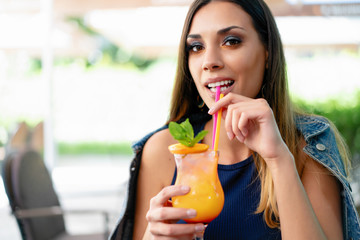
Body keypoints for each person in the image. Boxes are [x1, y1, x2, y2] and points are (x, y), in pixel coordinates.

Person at [110, 0, 360, 239]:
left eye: (231, 41)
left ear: (267, 53)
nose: (209, 62)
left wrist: (279, 159)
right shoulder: (163, 150)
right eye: (196, 47)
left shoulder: (310, 144)